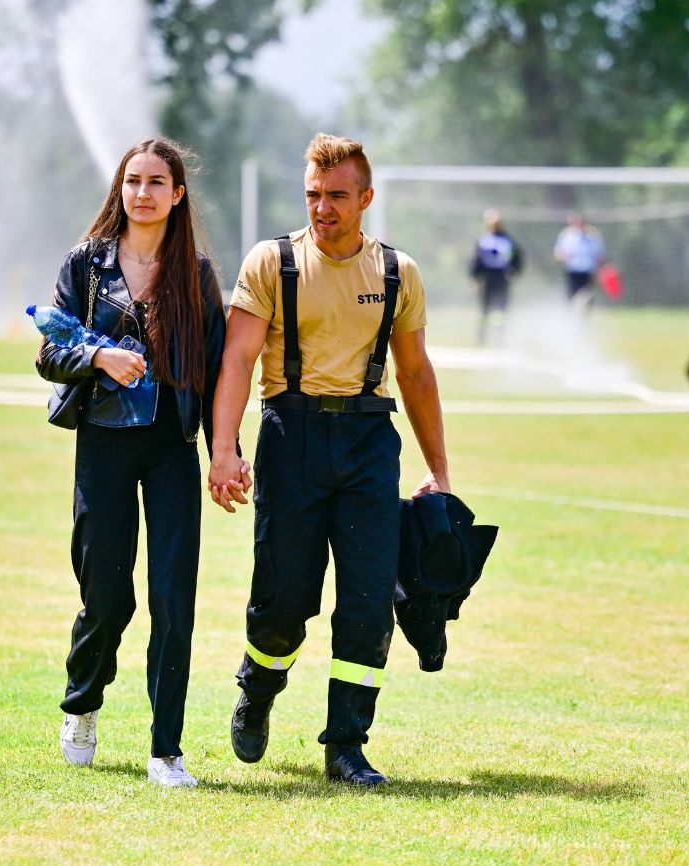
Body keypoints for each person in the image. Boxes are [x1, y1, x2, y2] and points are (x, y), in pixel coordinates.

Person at [207, 133, 452, 787]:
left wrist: (440, 471)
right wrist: (224, 449)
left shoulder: (398, 272)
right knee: (284, 600)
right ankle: (257, 690)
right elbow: (236, 359)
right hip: (292, 438)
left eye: (338, 196)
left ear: (366, 198)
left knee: (369, 604)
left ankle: (346, 746)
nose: (323, 208)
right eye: (314, 195)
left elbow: (417, 374)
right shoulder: (271, 263)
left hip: (371, 441)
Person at [35, 137, 234, 788]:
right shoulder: (86, 265)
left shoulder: (197, 275)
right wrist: (98, 357)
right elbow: (48, 352)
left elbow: (209, 375)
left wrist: (221, 454)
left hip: (172, 449)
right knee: (107, 595)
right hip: (104, 443)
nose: (142, 192)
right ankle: (82, 703)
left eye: (156, 182)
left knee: (174, 599)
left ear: (178, 195)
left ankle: (166, 751)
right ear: (120, 190)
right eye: (133, 181)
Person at [469, 208, 522, 345]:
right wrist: (475, 278)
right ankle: (481, 338)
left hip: (501, 277)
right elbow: (477, 261)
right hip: (487, 277)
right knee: (484, 310)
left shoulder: (507, 241)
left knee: (501, 310)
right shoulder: (483, 240)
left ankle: (499, 338)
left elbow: (517, 259)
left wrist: (514, 272)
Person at [552, 212, 605, 310]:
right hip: (572, 271)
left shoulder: (593, 236)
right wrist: (563, 257)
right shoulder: (566, 235)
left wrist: (599, 271)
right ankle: (570, 317)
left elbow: (599, 256)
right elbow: (559, 252)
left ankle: (584, 318)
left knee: (587, 297)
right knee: (571, 297)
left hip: (588, 271)